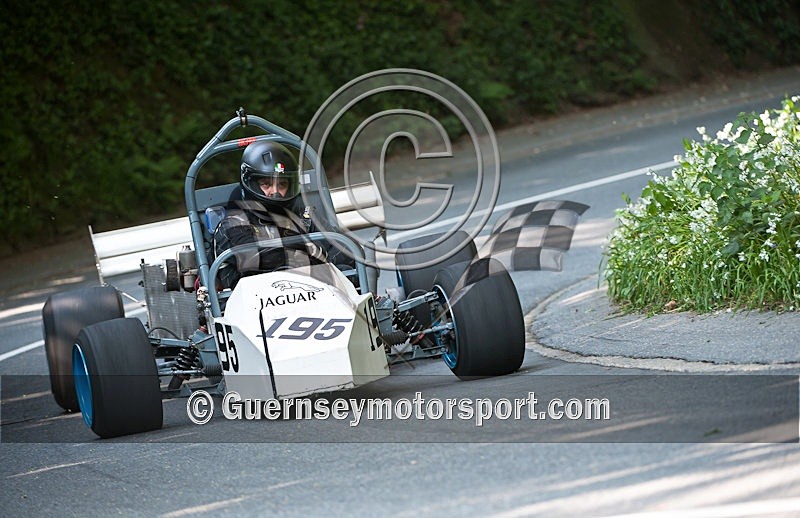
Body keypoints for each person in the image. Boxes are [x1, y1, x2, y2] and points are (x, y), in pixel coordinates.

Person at [212, 140, 327, 288]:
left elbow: (345, 252)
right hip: (255, 304)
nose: (275, 192)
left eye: (282, 185)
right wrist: (310, 250)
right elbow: (261, 260)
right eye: (266, 184)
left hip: (316, 298)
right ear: (251, 183)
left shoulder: (306, 217)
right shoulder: (233, 222)